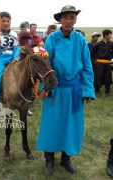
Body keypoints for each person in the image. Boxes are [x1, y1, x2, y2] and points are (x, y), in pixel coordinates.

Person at [35, 5, 95, 176]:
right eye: (65, 17)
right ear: (60, 20)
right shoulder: (52, 38)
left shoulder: (80, 40)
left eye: (72, 17)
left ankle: (66, 158)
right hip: (55, 88)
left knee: (71, 126)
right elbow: (45, 64)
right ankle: (49, 159)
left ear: (75, 19)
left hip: (74, 90)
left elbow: (87, 67)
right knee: (51, 124)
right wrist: (44, 87)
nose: (69, 21)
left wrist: (87, 90)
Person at [0, 11, 19, 121]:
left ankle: (23, 102)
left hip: (13, 59)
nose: (6, 23)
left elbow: (16, 48)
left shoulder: (14, 34)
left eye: (8, 21)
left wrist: (16, 57)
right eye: (3, 21)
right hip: (1, 59)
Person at [91, 29, 113, 94]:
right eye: (110, 35)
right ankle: (97, 90)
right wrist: (94, 61)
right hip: (99, 64)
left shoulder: (111, 44)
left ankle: (107, 91)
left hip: (108, 63)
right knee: (98, 77)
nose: (110, 36)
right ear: (106, 35)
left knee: (108, 77)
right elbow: (92, 54)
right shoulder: (98, 45)